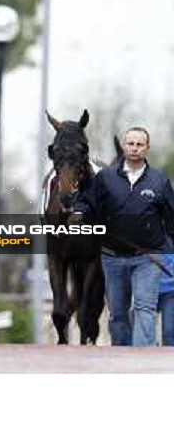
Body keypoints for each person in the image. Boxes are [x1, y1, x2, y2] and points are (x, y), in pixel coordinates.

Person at [73, 127, 174, 346]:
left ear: (147, 148)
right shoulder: (105, 178)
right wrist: (79, 212)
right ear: (124, 147)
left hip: (149, 258)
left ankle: (142, 361)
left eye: (140, 144)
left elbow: (171, 219)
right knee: (118, 314)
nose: (135, 148)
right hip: (112, 257)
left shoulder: (159, 181)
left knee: (144, 308)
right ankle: (122, 357)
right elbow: (87, 201)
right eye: (131, 144)